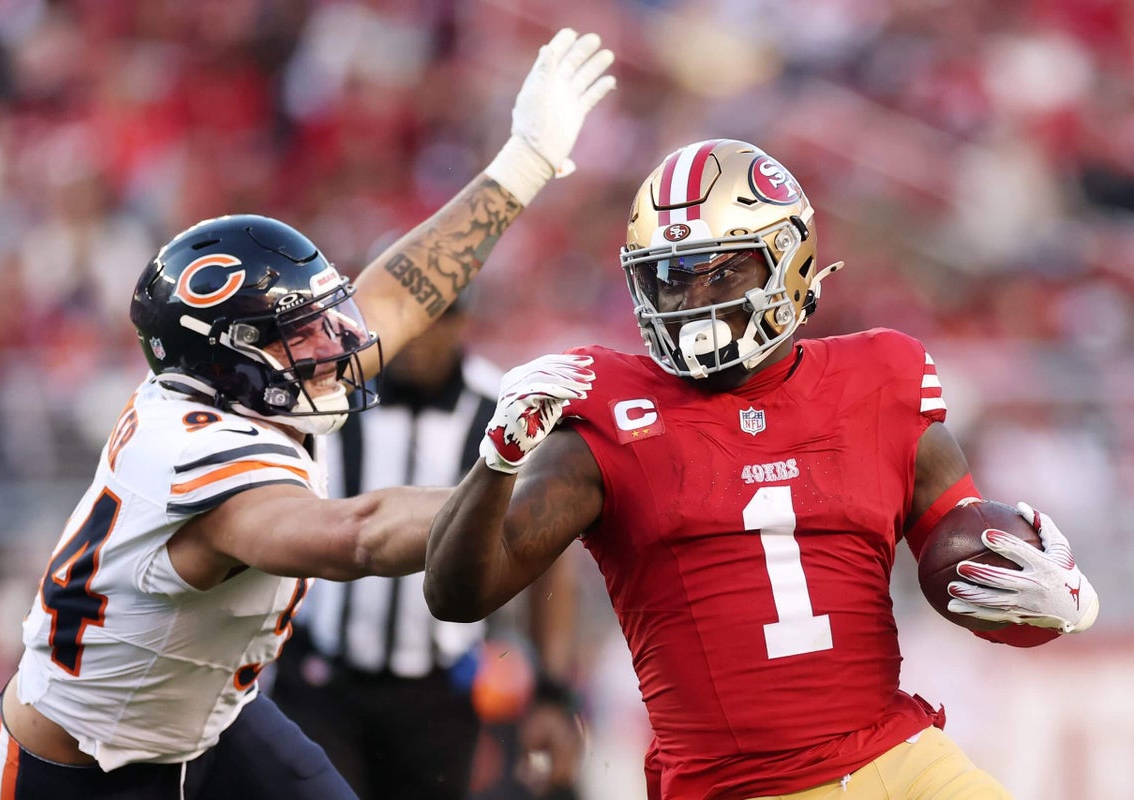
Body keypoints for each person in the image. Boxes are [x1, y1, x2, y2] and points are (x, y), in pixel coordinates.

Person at [0, 27, 615, 800]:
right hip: (80, 770)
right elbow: (358, 534)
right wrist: (538, 485)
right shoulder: (195, 456)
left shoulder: (240, 386)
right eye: (301, 331)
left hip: (209, 725)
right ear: (234, 356)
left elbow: (397, 296)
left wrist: (525, 161)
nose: (338, 339)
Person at [424, 139, 1101, 799]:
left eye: (721, 272)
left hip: (901, 760)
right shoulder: (608, 408)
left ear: (789, 261)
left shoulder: (879, 379)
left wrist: (1055, 600)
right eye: (671, 276)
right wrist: (497, 460)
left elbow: (973, 572)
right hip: (739, 787)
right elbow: (458, 595)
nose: (691, 301)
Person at [269, 292, 583, 800]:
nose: (415, 332)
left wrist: (551, 692)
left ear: (462, 322)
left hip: (438, 692)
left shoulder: (502, 408)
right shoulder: (327, 393)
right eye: (403, 314)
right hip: (319, 676)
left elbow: (547, 552)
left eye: (433, 317)